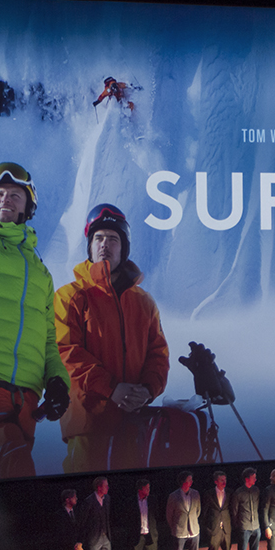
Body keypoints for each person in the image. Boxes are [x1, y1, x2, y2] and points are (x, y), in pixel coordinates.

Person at [0, 162, 71, 479]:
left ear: (28, 208)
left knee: (3, 486)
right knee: (15, 469)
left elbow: (48, 340)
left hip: (26, 401)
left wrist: (58, 381)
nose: (5, 198)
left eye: (14, 195)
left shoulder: (40, 272)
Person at [55, 203, 169, 474]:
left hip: (135, 426)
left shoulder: (144, 302)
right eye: (98, 238)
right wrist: (112, 389)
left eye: (113, 239)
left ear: (123, 248)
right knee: (87, 494)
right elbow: (65, 352)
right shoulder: (70, 296)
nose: (105, 244)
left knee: (131, 495)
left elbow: (158, 354)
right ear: (90, 246)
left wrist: (148, 390)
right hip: (88, 425)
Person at [165, 471, 205, 550]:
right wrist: (176, 526)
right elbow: (169, 515)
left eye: (191, 480)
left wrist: (192, 523)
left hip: (194, 531)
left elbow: (198, 511)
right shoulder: (173, 496)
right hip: (180, 532)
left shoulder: (196, 494)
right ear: (183, 482)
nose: (191, 482)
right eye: (189, 480)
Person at [123, 479, 162, 550]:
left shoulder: (153, 500)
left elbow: (157, 516)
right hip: (137, 536)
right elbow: (126, 519)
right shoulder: (130, 501)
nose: (149, 490)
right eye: (146, 488)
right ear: (140, 489)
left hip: (150, 536)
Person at [231, 467, 262, 550]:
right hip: (244, 527)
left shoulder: (256, 490)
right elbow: (234, 511)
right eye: (253, 477)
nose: (255, 479)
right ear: (247, 479)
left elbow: (258, 506)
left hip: (256, 526)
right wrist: (238, 525)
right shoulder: (238, 493)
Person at [203, 471, 233, 550]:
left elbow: (232, 510)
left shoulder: (229, 493)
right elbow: (204, 512)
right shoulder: (209, 494)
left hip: (226, 529)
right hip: (214, 529)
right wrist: (207, 528)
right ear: (216, 481)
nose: (224, 482)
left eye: (225, 480)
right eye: (221, 480)